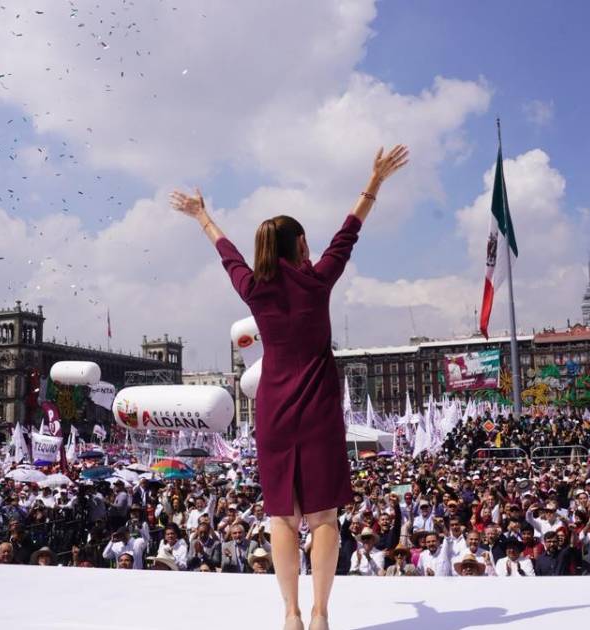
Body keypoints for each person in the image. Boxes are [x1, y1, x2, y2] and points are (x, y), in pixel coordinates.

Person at [173, 143, 408, 630]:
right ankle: (322, 613)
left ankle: (291, 615)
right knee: (323, 517)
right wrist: (375, 181)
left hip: (274, 409)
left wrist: (202, 217)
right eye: (306, 241)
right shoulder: (317, 280)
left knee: (282, 517)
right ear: (300, 245)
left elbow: (228, 254)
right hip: (319, 407)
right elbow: (349, 233)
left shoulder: (253, 287)